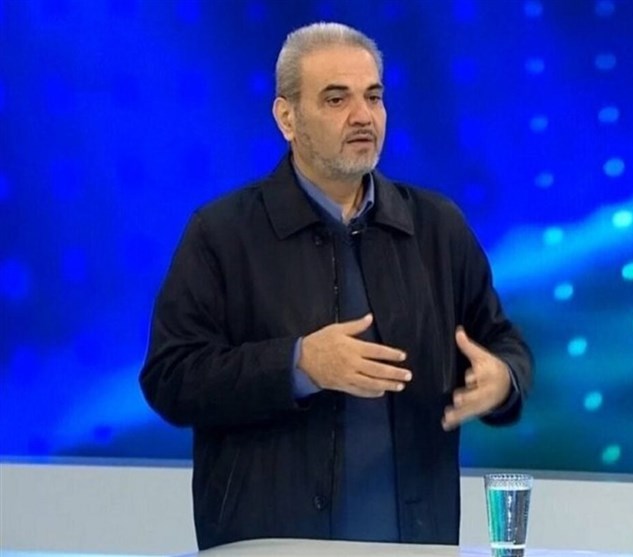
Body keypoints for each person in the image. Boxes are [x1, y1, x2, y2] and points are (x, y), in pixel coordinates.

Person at [139, 21, 533, 550]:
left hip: (415, 539)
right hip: (270, 543)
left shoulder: (437, 226)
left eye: (374, 96)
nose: (363, 116)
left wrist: (502, 378)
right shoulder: (222, 234)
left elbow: (502, 342)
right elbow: (170, 378)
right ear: (287, 117)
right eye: (336, 99)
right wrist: (298, 365)